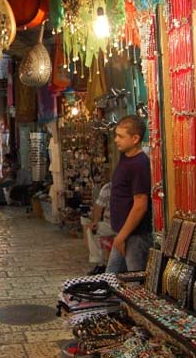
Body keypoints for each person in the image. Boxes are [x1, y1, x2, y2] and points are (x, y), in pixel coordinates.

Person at [105, 115, 152, 273]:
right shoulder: (126, 158)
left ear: (135, 138)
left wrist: (122, 236)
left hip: (135, 236)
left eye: (120, 136)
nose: (116, 140)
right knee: (112, 279)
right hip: (125, 233)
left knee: (135, 283)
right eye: (116, 135)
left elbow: (140, 205)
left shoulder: (139, 164)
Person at [86, 181, 116, 274]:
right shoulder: (107, 187)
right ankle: (100, 264)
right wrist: (95, 221)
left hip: (126, 224)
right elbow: (99, 207)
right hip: (110, 224)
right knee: (91, 231)